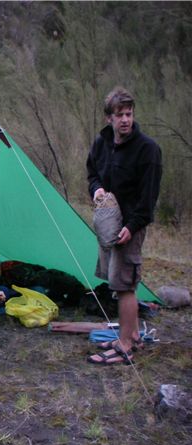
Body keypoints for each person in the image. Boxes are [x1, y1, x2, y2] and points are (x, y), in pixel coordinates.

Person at [86, 87, 162, 365]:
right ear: (109, 117)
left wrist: (131, 227)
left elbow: (148, 198)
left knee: (125, 285)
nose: (125, 120)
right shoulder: (102, 143)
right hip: (108, 223)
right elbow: (92, 173)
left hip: (131, 225)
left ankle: (126, 345)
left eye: (129, 114)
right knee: (118, 281)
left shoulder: (147, 149)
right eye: (119, 115)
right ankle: (133, 336)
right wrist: (96, 189)